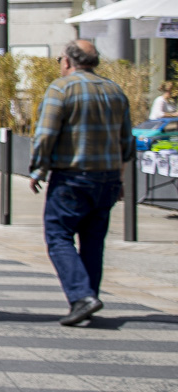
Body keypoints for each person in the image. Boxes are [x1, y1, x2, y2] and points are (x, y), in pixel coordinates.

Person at [29, 39, 135, 326]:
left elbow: (46, 134)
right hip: (109, 177)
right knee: (93, 240)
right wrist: (121, 177)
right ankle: (88, 296)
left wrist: (38, 170)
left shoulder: (61, 89)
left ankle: (81, 296)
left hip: (72, 176)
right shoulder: (115, 90)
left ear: (67, 61)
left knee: (58, 235)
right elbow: (127, 140)